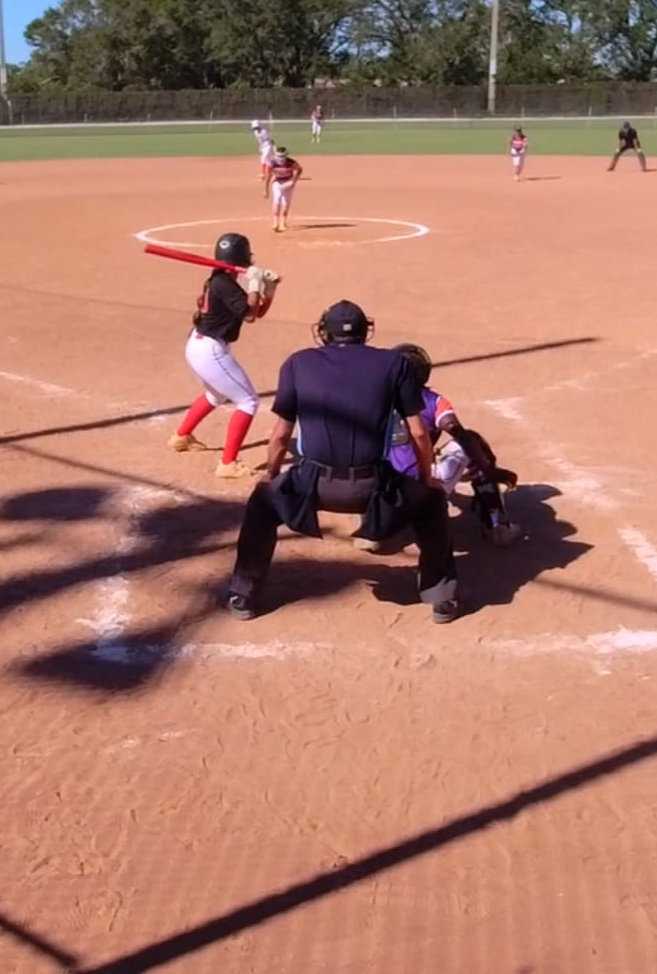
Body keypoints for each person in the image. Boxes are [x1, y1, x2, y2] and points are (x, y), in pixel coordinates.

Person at [222, 300, 462, 624]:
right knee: (431, 502)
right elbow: (419, 433)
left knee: (262, 503)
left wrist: (272, 474)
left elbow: (280, 435)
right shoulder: (395, 363)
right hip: (375, 487)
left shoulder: (298, 363)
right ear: (365, 332)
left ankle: (243, 595)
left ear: (325, 332)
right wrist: (424, 480)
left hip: (312, 483)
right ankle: (441, 598)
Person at [356, 342, 522, 550]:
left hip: (375, 485)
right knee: (473, 441)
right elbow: (461, 435)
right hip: (419, 486)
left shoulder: (371, 400)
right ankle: (497, 526)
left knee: (367, 456)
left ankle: (372, 530)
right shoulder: (433, 401)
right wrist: (488, 470)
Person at [169, 232, 278, 479]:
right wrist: (254, 284)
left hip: (200, 345)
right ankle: (228, 463)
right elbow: (249, 315)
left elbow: (255, 312)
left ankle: (181, 436)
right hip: (209, 350)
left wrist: (268, 289)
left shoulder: (220, 281)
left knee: (215, 395)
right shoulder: (224, 285)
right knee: (248, 401)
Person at [267, 147, 302, 233]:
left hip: (288, 183)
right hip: (277, 182)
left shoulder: (291, 162)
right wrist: (266, 189)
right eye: (279, 156)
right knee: (277, 200)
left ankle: (283, 223)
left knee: (286, 202)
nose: (281, 158)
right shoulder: (272, 163)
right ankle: (275, 223)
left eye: (282, 156)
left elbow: (299, 169)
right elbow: (268, 176)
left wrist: (293, 181)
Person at [250, 120, 274, 198]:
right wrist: (260, 147)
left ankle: (263, 174)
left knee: (263, 159)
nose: (256, 128)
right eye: (254, 128)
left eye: (256, 127)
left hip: (268, 146)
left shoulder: (264, 131)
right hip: (263, 147)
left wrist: (273, 146)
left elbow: (269, 140)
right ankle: (272, 173)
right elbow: (260, 141)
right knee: (269, 161)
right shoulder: (255, 132)